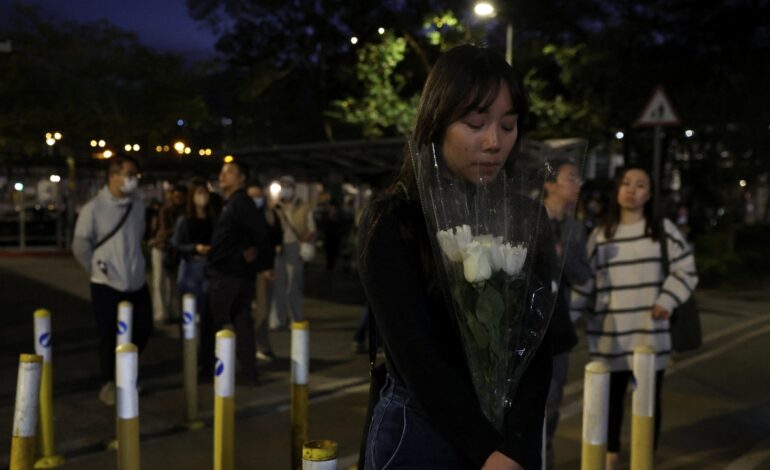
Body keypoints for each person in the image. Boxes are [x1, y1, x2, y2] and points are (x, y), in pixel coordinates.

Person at [358, 44, 554, 470]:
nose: (493, 142)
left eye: (508, 125)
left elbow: (541, 345)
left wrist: (517, 445)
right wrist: (486, 451)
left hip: (506, 443)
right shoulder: (395, 221)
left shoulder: (526, 219)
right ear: (436, 122)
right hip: (419, 434)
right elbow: (414, 354)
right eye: (475, 123)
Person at [570, 166, 698, 468]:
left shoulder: (662, 229)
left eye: (641, 185)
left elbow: (686, 269)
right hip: (609, 335)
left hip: (650, 336)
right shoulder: (601, 234)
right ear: (617, 191)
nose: (631, 189)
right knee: (609, 403)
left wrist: (667, 300)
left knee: (648, 405)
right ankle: (611, 457)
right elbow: (585, 281)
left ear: (650, 194)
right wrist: (565, 318)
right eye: (626, 183)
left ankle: (644, 459)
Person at [72, 154, 153, 406]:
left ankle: (127, 372)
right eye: (129, 174)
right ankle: (109, 382)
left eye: (135, 175)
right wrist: (95, 269)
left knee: (144, 328)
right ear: (113, 176)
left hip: (136, 280)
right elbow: (80, 244)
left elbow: (138, 237)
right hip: (106, 283)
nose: (133, 180)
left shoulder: (138, 206)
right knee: (108, 335)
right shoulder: (94, 208)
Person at [542, 159, 593, 469]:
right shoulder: (528, 216)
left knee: (552, 400)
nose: (577, 184)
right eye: (570, 178)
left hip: (557, 326)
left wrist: (563, 256)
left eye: (578, 178)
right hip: (525, 325)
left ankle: (544, 458)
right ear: (549, 184)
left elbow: (583, 275)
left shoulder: (575, 227)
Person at [205, 161, 274, 385]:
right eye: (222, 171)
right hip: (234, 272)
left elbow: (261, 233)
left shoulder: (241, 203)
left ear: (242, 178)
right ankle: (248, 373)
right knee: (241, 321)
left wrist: (257, 258)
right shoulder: (233, 203)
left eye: (230, 172)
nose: (223, 175)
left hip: (230, 274)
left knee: (212, 321)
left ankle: (210, 369)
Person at [173, 178, 216, 362]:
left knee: (209, 317)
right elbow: (176, 244)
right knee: (189, 316)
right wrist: (195, 248)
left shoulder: (214, 218)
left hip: (209, 268)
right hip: (190, 268)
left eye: (205, 192)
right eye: (199, 193)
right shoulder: (185, 220)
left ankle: (207, 357)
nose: (203, 197)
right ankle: (189, 357)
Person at [270, 175, 316, 330]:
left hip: (295, 247)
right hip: (278, 248)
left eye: (287, 186)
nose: (285, 189)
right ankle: (279, 320)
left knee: (294, 285)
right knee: (279, 286)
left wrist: (304, 238)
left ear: (293, 187)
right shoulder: (276, 206)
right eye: (282, 185)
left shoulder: (303, 205)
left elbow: (312, 228)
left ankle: (295, 319)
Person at [246, 181, 283, 362]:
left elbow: (275, 240)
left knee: (263, 309)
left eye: (259, 196)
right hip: (251, 270)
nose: (256, 200)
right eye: (252, 197)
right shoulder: (244, 216)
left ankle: (262, 345)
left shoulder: (268, 214)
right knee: (257, 312)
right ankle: (259, 346)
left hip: (264, 270)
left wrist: (272, 224)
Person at [150, 184, 186, 324]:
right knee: (160, 280)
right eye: (176, 196)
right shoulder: (166, 210)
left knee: (172, 281)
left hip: (172, 248)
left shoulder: (183, 212)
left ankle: (172, 311)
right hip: (161, 246)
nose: (178, 199)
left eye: (181, 197)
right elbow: (164, 230)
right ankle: (161, 312)